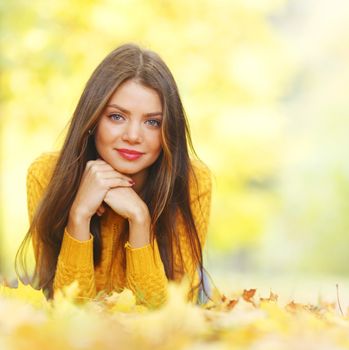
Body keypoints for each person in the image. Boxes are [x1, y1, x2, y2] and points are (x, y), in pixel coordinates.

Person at [15, 43, 213, 309]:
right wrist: (79, 215)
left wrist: (140, 219)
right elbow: (69, 310)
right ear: (94, 118)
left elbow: (165, 316)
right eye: (117, 116)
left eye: (152, 122)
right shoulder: (48, 175)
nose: (133, 136)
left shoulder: (192, 181)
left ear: (169, 129)